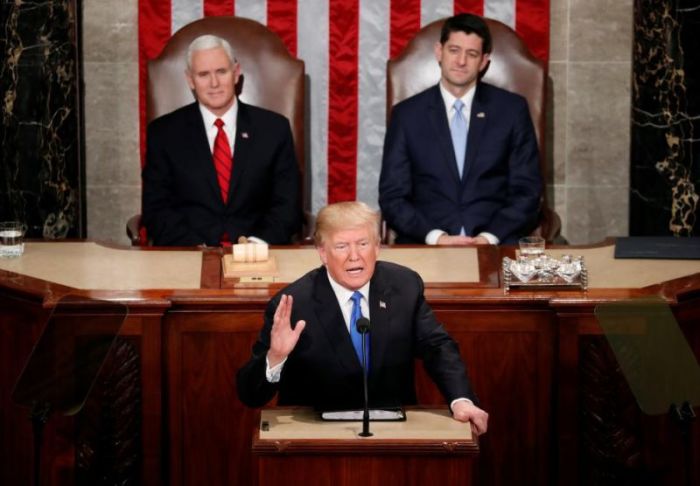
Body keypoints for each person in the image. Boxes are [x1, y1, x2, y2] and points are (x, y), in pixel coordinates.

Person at [237, 201, 488, 434]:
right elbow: (250, 395)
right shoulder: (293, 304)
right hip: (316, 440)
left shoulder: (405, 287)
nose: (354, 256)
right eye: (342, 246)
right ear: (323, 252)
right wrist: (276, 357)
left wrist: (460, 399)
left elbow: (438, 347)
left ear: (377, 247)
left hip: (394, 435)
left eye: (363, 244)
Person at [379, 13, 542, 245]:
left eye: (472, 54)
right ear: (439, 52)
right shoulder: (407, 115)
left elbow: (527, 191)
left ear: (484, 61)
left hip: (496, 243)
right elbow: (393, 197)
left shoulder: (511, 111)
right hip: (426, 244)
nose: (461, 61)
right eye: (454, 50)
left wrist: (489, 237)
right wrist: (436, 237)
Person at [142, 35, 301, 246]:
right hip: (188, 254)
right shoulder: (163, 133)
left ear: (236, 73)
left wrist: (256, 244)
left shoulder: (274, 129)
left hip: (258, 254)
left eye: (221, 72)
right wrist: (194, 247)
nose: (214, 83)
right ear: (190, 80)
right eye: (203, 74)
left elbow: (287, 204)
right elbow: (157, 208)